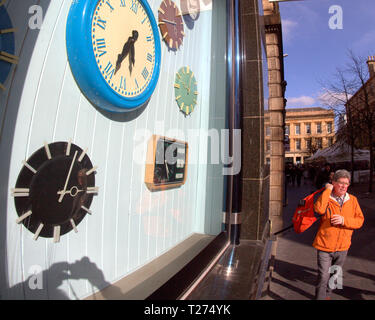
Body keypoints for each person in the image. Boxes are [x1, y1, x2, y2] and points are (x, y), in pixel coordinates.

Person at [313, 169, 364, 300]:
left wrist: (344, 220)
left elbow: (359, 221)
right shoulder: (327, 197)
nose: (343, 186)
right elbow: (319, 209)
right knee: (323, 275)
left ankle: (328, 295)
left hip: (343, 246)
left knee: (335, 275)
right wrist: (327, 191)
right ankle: (320, 297)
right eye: (340, 182)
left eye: (346, 183)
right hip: (325, 244)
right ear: (333, 183)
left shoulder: (352, 200)